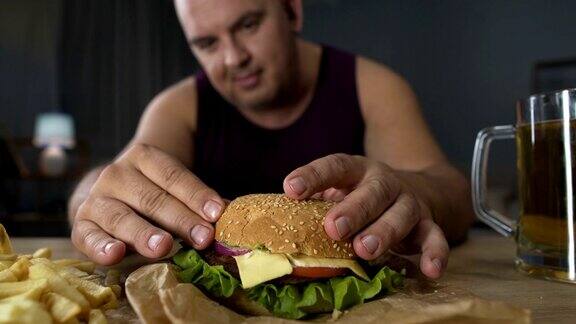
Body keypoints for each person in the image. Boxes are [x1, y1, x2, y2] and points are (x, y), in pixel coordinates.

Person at [68, 0, 474, 280]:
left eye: (248, 24)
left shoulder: (372, 87)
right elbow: (111, 183)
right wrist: (95, 198)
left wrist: (410, 193)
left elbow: (452, 190)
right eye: (207, 43)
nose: (232, 58)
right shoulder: (177, 108)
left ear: (291, 10)